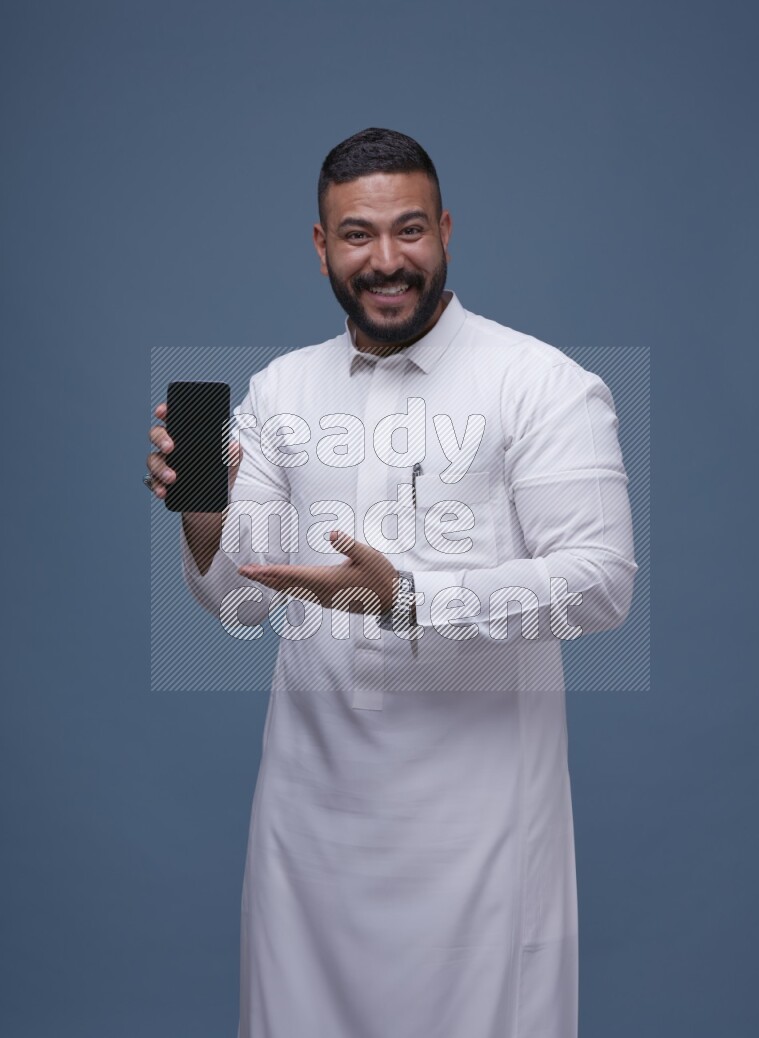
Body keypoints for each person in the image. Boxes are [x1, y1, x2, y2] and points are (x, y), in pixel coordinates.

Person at [146, 127, 638, 1038]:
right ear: (321, 246)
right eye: (357, 235)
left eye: (408, 230)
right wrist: (200, 510)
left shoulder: (541, 384)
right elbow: (237, 598)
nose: (385, 260)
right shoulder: (280, 392)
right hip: (308, 830)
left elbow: (601, 584)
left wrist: (408, 598)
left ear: (445, 230)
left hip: (481, 834)